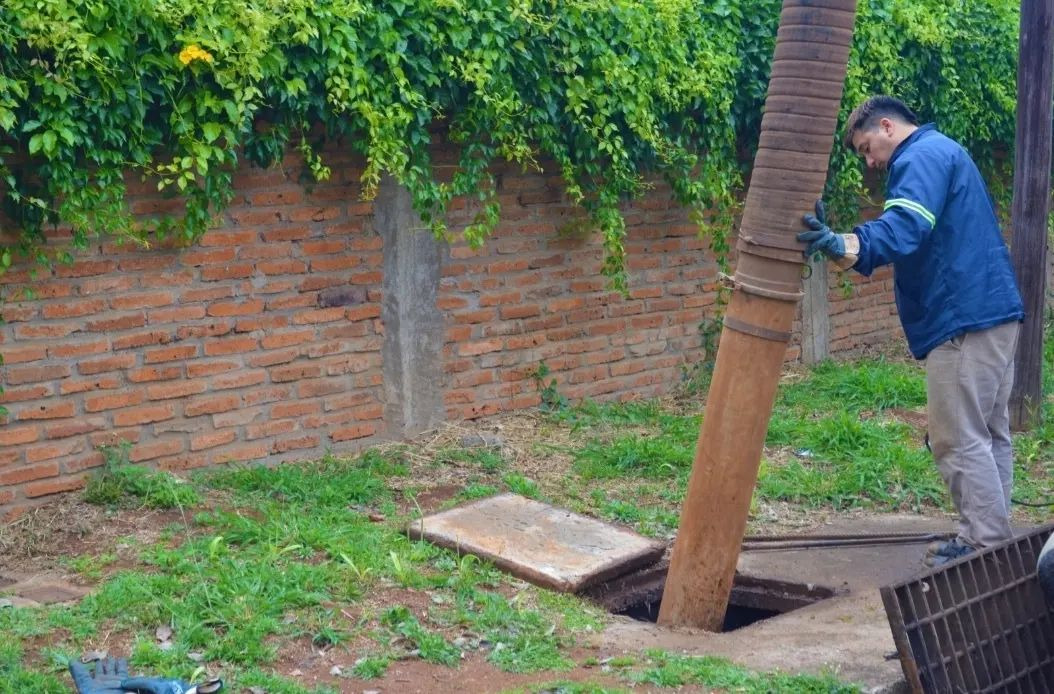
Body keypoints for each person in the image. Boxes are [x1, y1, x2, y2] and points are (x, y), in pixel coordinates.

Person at [797, 95, 1025, 567]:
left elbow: (904, 229)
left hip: (961, 319)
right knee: (988, 434)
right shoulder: (945, 150)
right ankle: (993, 538)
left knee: (958, 437)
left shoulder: (917, 157)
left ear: (887, 126)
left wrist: (841, 243)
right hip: (994, 311)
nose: (870, 162)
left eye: (866, 148)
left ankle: (984, 545)